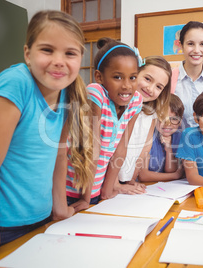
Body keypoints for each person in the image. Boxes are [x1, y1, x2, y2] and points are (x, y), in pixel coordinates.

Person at [0, 10, 93, 265]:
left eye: (69, 53)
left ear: (80, 58)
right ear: (28, 53)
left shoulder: (67, 92)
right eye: (47, 50)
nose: (59, 61)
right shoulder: (15, 84)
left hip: (40, 220)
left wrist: (60, 209)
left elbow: (59, 155)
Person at [52, 37, 144, 218]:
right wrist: (86, 197)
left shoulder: (135, 102)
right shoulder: (96, 94)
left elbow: (120, 149)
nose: (126, 85)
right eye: (117, 77)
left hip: (96, 191)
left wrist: (107, 191)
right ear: (100, 77)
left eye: (132, 77)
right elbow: (91, 148)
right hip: (71, 191)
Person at [100, 56, 172, 199]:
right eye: (147, 79)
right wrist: (115, 185)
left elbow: (144, 149)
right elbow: (110, 149)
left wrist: (131, 180)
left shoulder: (151, 114)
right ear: (135, 74)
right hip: (105, 181)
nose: (150, 88)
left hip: (125, 178)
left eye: (158, 87)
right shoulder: (117, 108)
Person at [138, 94, 184, 182]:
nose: (168, 123)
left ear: (180, 121)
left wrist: (169, 149)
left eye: (174, 119)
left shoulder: (178, 136)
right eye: (162, 117)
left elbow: (170, 170)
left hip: (161, 186)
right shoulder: (148, 135)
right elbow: (143, 176)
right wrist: (175, 176)